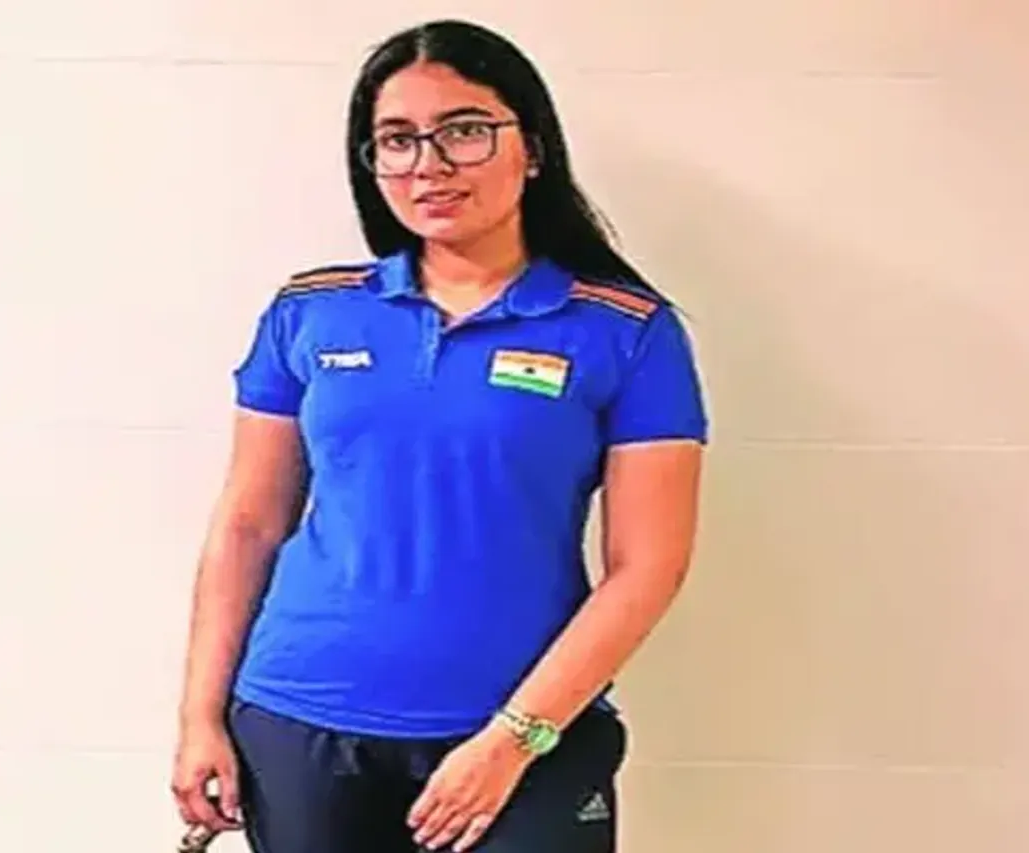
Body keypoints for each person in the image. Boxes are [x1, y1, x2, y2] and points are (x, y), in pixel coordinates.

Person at [171, 18, 709, 853]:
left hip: (525, 734)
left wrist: (512, 740)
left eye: (463, 130)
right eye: (397, 140)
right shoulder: (311, 311)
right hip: (301, 721)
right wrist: (200, 716)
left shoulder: (626, 330)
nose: (429, 164)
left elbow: (648, 565)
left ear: (532, 148)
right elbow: (248, 524)